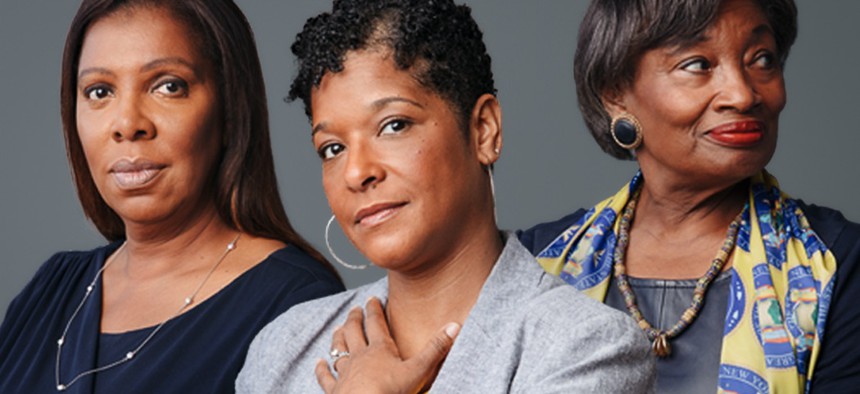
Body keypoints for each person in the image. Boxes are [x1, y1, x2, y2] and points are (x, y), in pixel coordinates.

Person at [237, 0, 655, 392]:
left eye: (394, 125)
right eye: (332, 148)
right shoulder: (285, 348)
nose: (357, 172)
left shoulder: (587, 346)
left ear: (483, 130)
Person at [0, 1, 345, 393]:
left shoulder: (295, 305)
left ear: (229, 108)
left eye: (168, 86)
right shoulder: (50, 291)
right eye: (99, 91)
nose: (128, 124)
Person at [518, 0, 860, 392]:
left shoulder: (840, 264)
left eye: (761, 59)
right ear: (615, 94)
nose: (743, 94)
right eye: (698, 64)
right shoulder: (536, 265)